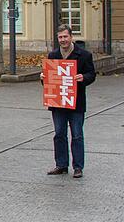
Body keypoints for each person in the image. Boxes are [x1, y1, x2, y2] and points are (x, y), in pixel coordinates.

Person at [41, 24, 95, 179]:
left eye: (65, 36)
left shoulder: (84, 55)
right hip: (58, 102)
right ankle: (61, 165)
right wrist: (44, 78)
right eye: (60, 37)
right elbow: (49, 81)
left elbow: (92, 74)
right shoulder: (53, 56)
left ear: (71, 37)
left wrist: (83, 77)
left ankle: (78, 167)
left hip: (76, 102)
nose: (63, 40)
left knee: (77, 135)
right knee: (59, 134)